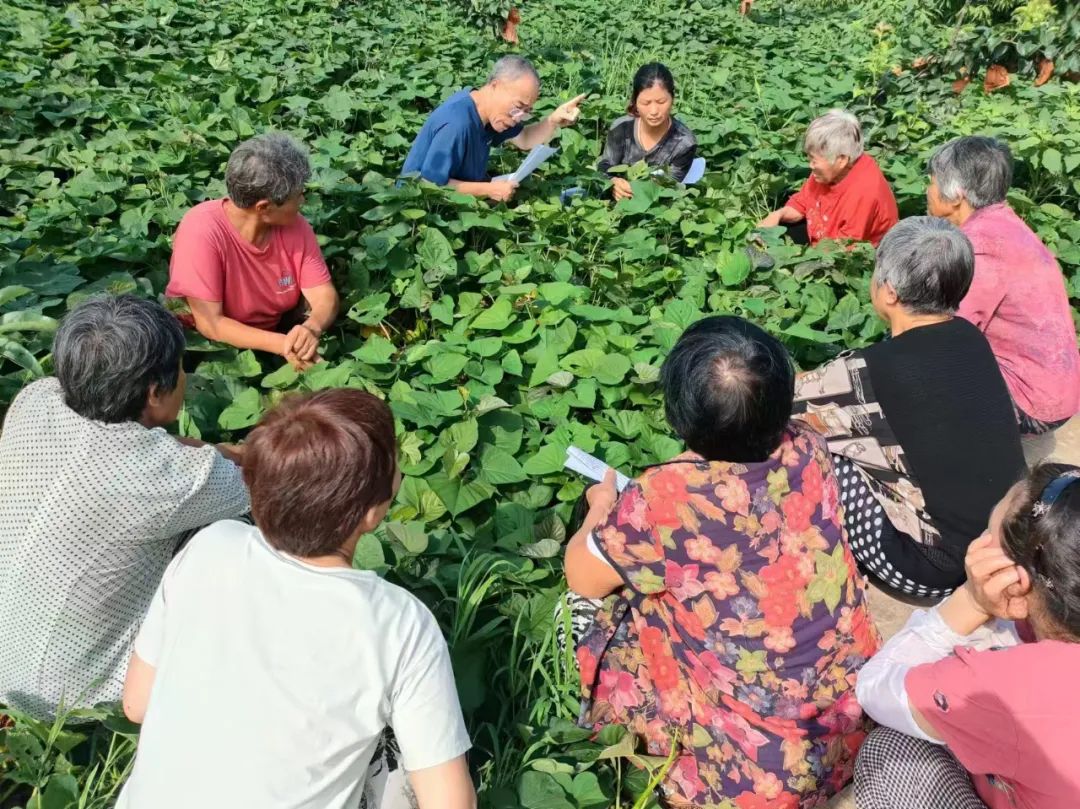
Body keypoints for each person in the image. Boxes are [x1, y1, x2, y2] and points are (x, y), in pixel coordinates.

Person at [565, 316, 879, 808]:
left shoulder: (662, 496)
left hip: (757, 772)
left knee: (623, 606)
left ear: (678, 412)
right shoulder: (809, 446)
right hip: (851, 720)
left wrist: (600, 509)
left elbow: (580, 576)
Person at [117, 389, 474, 809]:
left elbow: (137, 705)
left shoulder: (210, 544)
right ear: (372, 513)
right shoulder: (400, 622)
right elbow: (451, 804)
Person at [0, 295, 249, 720]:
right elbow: (273, 482)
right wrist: (243, 451)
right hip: (72, 701)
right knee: (231, 537)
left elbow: (153, 450)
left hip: (12, 664)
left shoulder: (36, 399)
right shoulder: (171, 478)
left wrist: (217, 451)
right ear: (155, 392)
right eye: (182, 368)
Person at [794, 217, 1025, 600]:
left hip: (937, 568)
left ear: (888, 291)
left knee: (817, 450)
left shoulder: (869, 370)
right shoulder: (971, 338)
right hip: (1005, 539)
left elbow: (784, 403)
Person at [854, 462, 1080, 809]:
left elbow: (876, 689)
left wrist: (971, 603)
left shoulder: (1009, 687)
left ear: (1017, 585)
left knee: (889, 751)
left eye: (987, 538)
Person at [927, 135, 1080, 434]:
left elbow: (944, 334)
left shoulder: (981, 247)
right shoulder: (1004, 225)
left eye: (932, 181)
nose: (928, 190)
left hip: (1032, 400)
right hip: (1055, 385)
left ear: (956, 194)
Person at [167, 133, 340, 371]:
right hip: (209, 351)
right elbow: (211, 324)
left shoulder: (295, 225)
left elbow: (323, 295)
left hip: (276, 335)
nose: (303, 199)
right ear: (264, 207)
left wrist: (311, 329)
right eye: (298, 194)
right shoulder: (202, 229)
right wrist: (285, 345)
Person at [401, 55, 586, 202]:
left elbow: (525, 139)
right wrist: (489, 190)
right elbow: (429, 184)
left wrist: (553, 120)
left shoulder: (489, 111)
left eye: (526, 111)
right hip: (418, 206)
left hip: (454, 201)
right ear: (495, 86)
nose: (518, 117)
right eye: (518, 106)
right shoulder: (456, 123)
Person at [758, 109, 898, 246]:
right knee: (770, 235)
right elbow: (802, 203)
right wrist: (777, 215)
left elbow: (842, 252)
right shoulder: (830, 171)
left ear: (841, 160)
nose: (810, 165)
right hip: (825, 232)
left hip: (853, 254)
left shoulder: (864, 193)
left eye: (814, 159)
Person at [597, 62, 697, 200]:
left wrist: (636, 191)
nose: (654, 111)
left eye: (661, 102)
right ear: (635, 102)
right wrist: (613, 183)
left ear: (672, 99)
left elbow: (667, 185)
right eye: (646, 103)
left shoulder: (684, 143)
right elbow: (605, 166)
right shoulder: (621, 128)